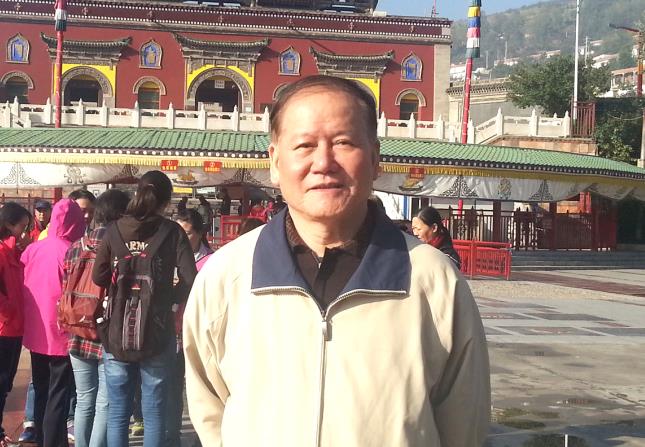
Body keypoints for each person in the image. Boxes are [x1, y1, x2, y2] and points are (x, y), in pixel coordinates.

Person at [183, 75, 490, 447]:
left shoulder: (433, 280)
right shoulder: (226, 275)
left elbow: (464, 425)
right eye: (304, 145)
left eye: (344, 142)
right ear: (275, 162)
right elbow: (210, 413)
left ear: (375, 158)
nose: (324, 162)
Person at [92, 171, 197, 447]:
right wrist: (167, 298)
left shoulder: (115, 230)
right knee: (154, 411)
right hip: (157, 329)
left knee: (118, 412)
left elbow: (98, 276)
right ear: (166, 200)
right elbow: (190, 278)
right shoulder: (172, 232)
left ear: (137, 193)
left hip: (117, 331)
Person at [64, 189, 131, 447]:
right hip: (107, 331)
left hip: (77, 330)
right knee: (105, 402)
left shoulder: (75, 246)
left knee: (84, 400)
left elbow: (65, 285)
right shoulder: (120, 247)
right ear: (121, 214)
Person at [21, 199, 86, 447]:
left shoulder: (33, 249)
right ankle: (53, 442)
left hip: (35, 329)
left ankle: (41, 438)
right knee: (58, 393)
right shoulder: (72, 251)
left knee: (41, 388)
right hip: (61, 332)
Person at [168, 209, 214, 447]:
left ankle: (201, 437)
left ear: (200, 233)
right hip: (172, 331)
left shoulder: (212, 261)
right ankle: (172, 435)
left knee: (201, 389)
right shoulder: (167, 256)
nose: (182, 238)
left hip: (200, 331)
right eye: (178, 232)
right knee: (173, 387)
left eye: (187, 233)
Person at [0, 203, 31, 447]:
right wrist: (9, 311)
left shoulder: (12, 252)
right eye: (22, 226)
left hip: (13, 327)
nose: (25, 232)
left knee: (5, 384)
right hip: (4, 327)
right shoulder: (2, 252)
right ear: (9, 225)